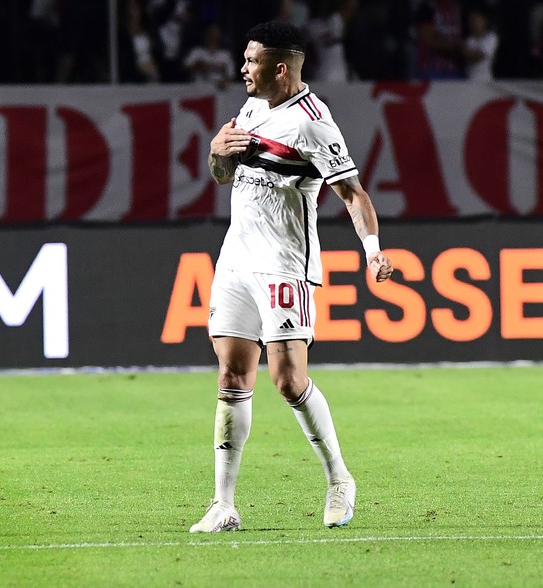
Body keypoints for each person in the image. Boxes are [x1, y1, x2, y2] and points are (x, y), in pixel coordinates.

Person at [189, 20, 393, 533]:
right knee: (231, 376)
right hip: (236, 258)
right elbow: (223, 175)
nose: (242, 69)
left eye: (251, 61)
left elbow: (353, 193)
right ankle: (224, 504)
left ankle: (340, 479)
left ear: (281, 68)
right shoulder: (252, 107)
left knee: (287, 380)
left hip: (284, 263)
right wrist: (218, 151)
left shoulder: (313, 122)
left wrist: (372, 252)